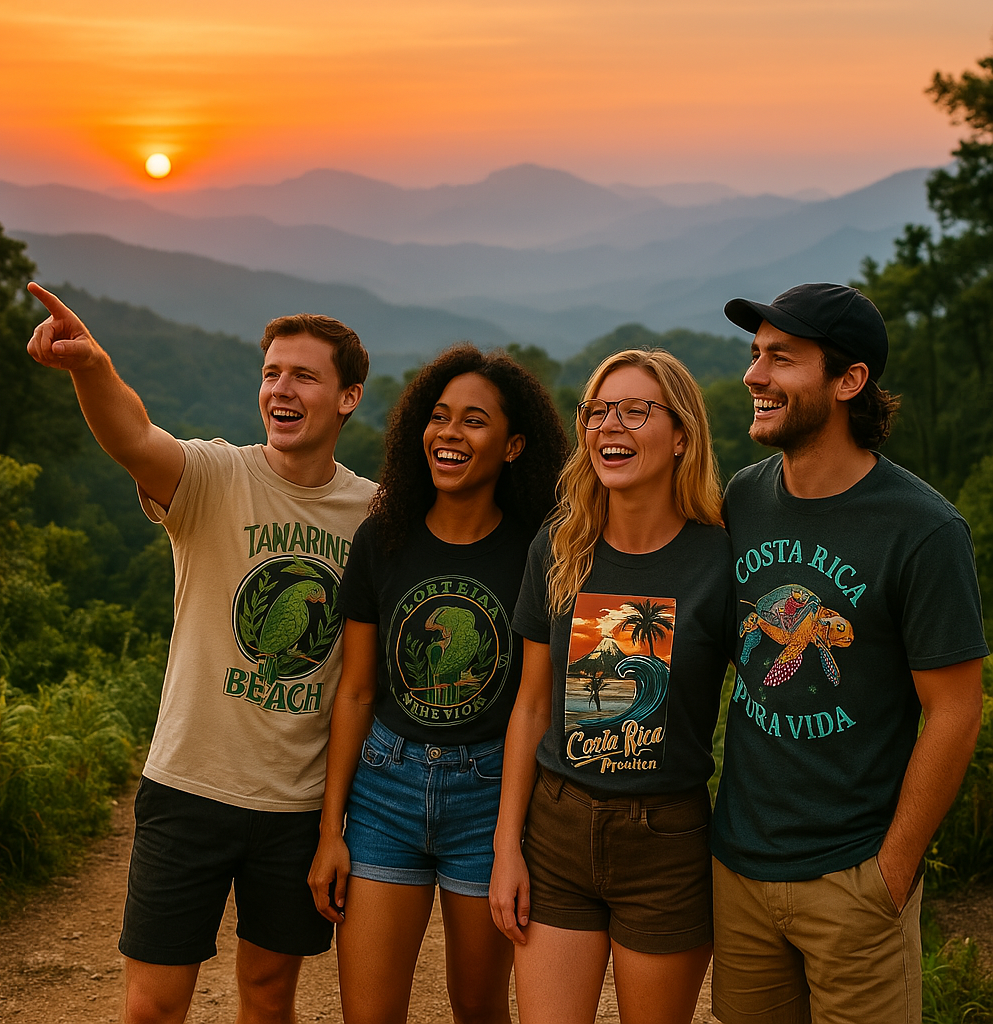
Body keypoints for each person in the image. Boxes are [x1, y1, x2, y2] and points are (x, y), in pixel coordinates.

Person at [26, 283, 376, 1024]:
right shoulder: (216, 476)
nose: (280, 389)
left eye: (304, 376)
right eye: (271, 373)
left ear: (348, 397)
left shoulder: (373, 515)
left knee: (269, 997)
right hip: (188, 788)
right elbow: (133, 437)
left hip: (298, 806)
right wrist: (91, 367)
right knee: (152, 1007)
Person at [711, 282, 988, 1024]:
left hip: (855, 880)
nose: (754, 374)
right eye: (755, 354)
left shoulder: (924, 530)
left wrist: (891, 872)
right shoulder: (743, 496)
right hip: (738, 871)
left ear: (849, 380)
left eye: (781, 358)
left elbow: (955, 710)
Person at [308, 344, 569, 1024]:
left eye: (474, 421)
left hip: (489, 798)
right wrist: (331, 830)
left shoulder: (538, 550)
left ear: (513, 446)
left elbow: (536, 700)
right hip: (384, 793)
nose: (449, 433)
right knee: (369, 1013)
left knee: (478, 1007)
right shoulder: (383, 538)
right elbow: (356, 691)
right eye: (439, 416)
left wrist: (510, 838)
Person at [490, 349, 734, 1024]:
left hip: (666, 843)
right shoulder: (560, 544)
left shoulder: (721, 558)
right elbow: (532, 705)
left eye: (635, 410)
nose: (608, 426)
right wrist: (506, 848)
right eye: (596, 411)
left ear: (681, 436)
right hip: (558, 832)